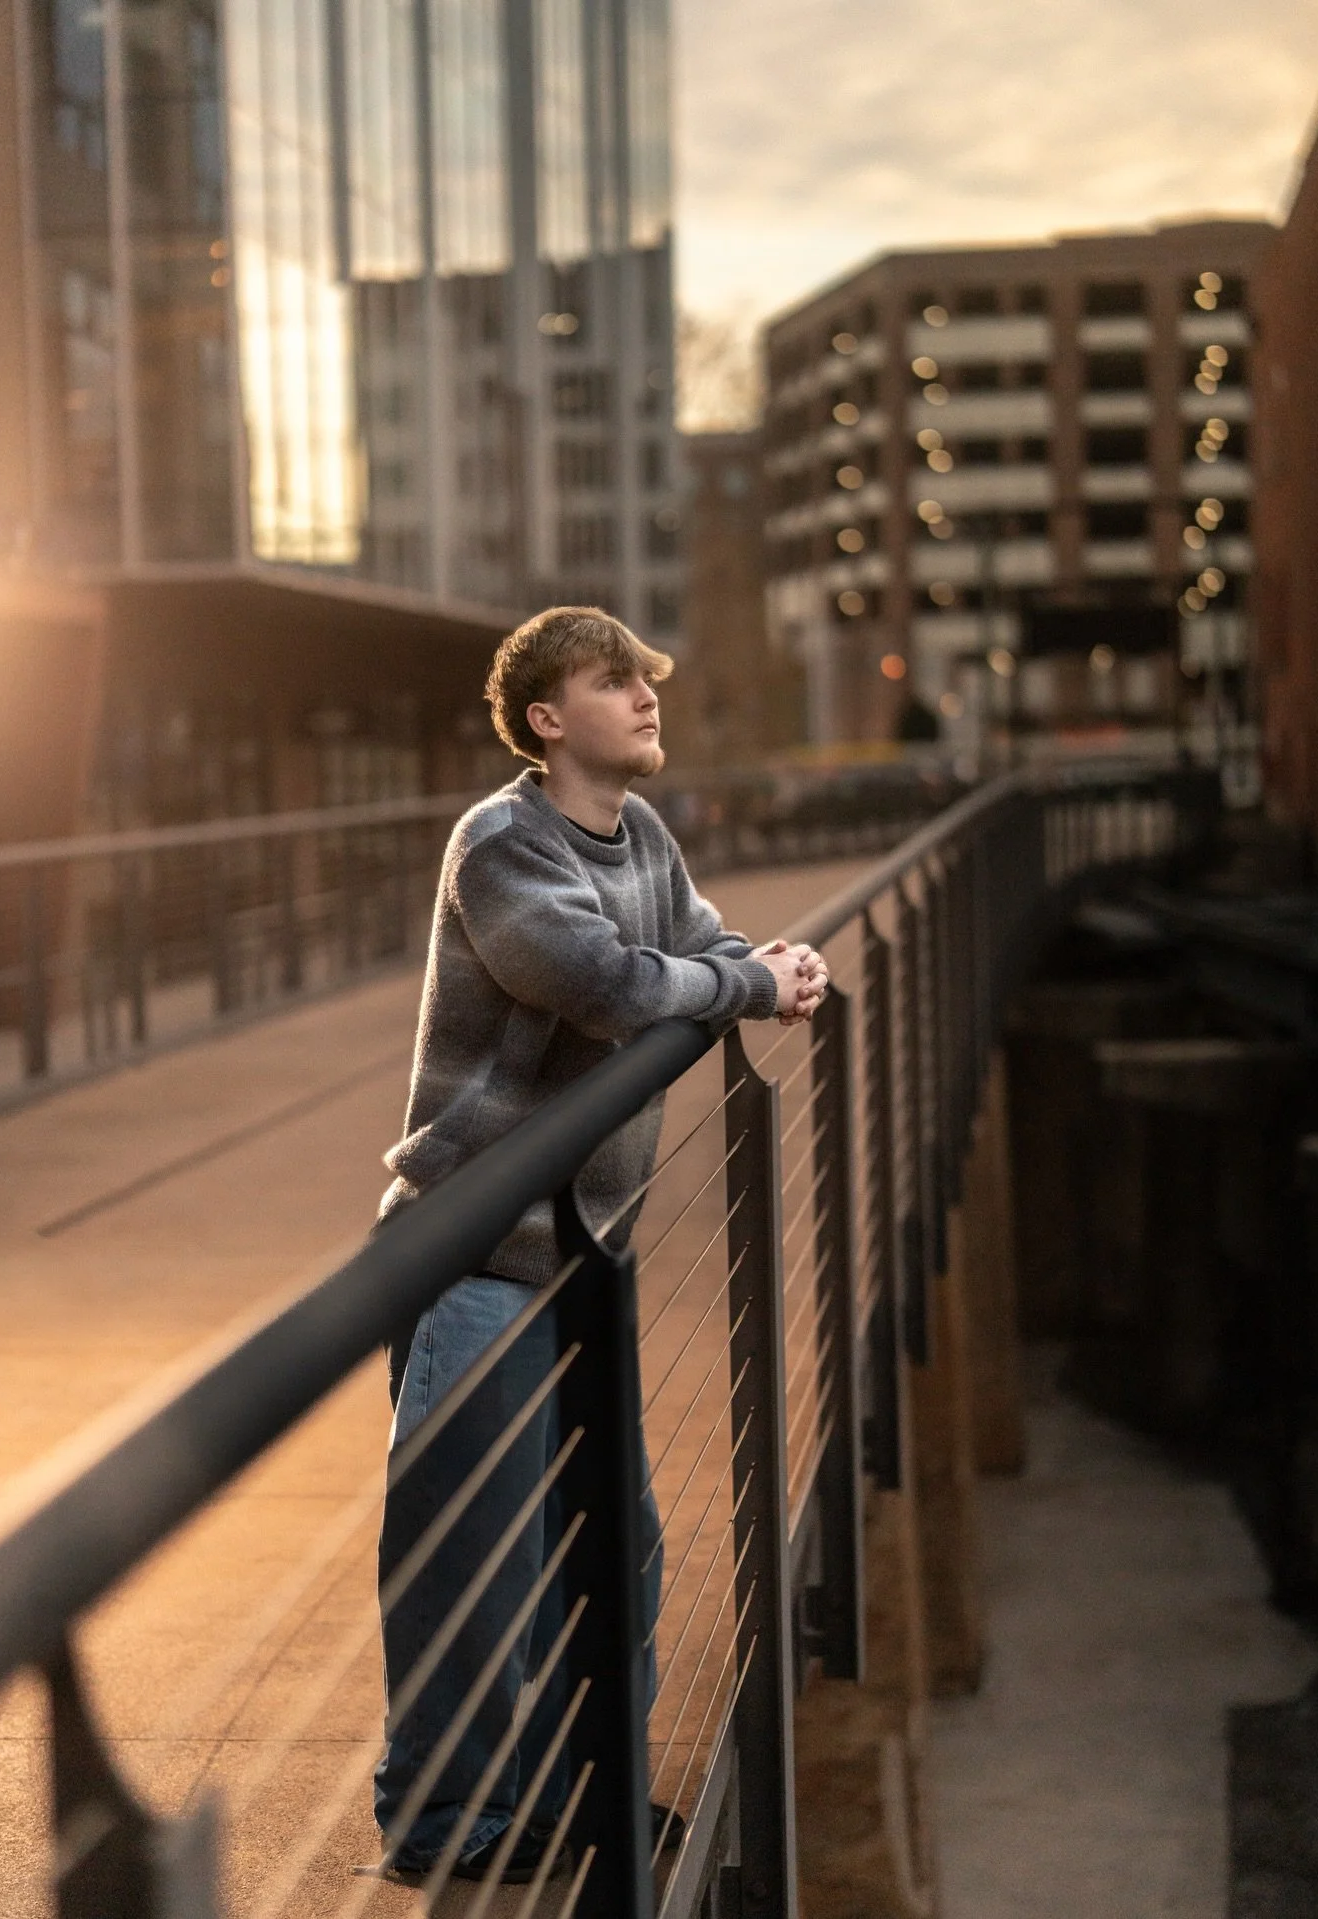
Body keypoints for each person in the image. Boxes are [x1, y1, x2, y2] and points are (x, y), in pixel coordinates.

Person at [371, 605, 828, 1883]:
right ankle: (447, 1821)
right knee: (471, 1561)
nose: (644, 696)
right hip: (474, 1256)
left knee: (613, 1547)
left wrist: (759, 964)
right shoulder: (502, 842)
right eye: (612, 679)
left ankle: (585, 1793)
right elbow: (613, 984)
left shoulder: (641, 837)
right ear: (544, 718)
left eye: (646, 678)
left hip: (577, 1260)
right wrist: (744, 985)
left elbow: (697, 945)